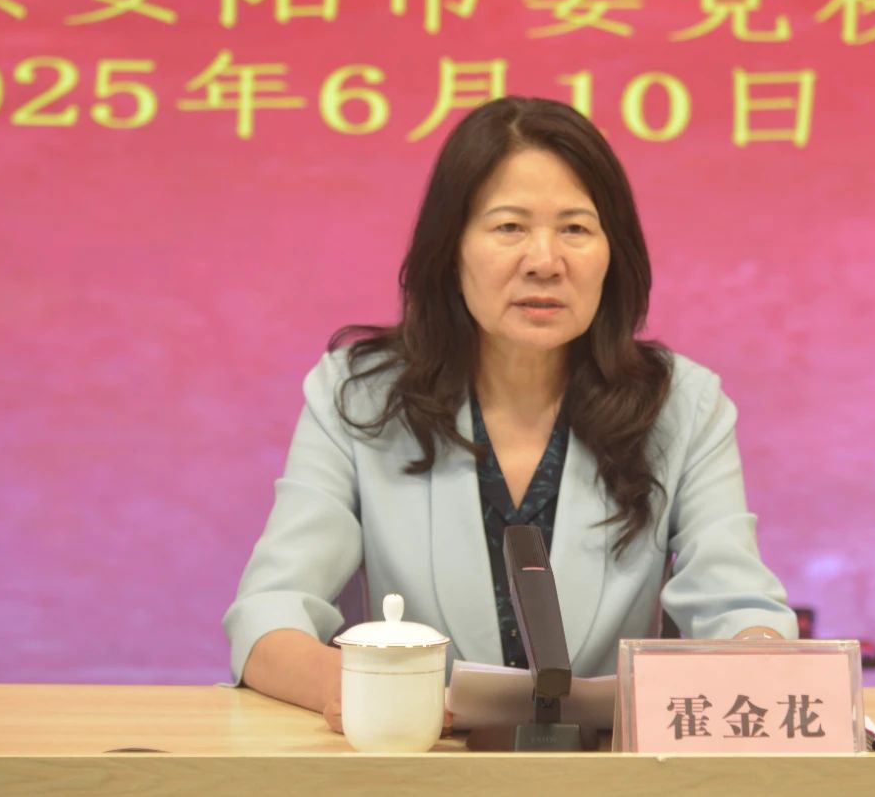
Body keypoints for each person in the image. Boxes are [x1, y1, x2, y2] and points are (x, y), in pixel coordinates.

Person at [223, 96, 797, 732]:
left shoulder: (682, 403)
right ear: (451, 249)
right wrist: (376, 691)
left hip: (608, 770)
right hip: (419, 763)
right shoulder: (359, 397)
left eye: (575, 229)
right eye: (509, 228)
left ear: (614, 254)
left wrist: (761, 661)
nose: (544, 262)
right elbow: (270, 614)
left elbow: (737, 600)